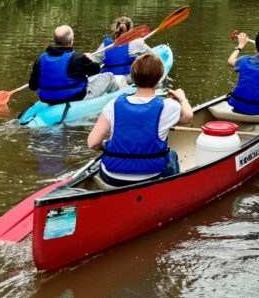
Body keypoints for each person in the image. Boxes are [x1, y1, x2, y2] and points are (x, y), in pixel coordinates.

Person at [87, 52, 193, 187]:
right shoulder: (169, 105)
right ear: (159, 78)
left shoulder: (113, 104)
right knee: (171, 155)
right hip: (152, 174)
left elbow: (92, 144)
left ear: (133, 76)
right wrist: (182, 99)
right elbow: (188, 117)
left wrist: (106, 144)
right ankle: (172, 190)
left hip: (111, 176)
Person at [29, 25, 118, 104]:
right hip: (75, 98)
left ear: (54, 40)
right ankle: (118, 97)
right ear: (72, 40)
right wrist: (89, 59)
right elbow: (96, 70)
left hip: (47, 99)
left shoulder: (40, 60)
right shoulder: (78, 58)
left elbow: (33, 86)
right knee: (109, 76)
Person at [92, 17, 150, 85]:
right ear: (130, 30)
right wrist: (142, 44)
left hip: (108, 80)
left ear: (116, 28)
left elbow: (93, 61)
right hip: (128, 80)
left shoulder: (104, 45)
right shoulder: (136, 43)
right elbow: (152, 57)